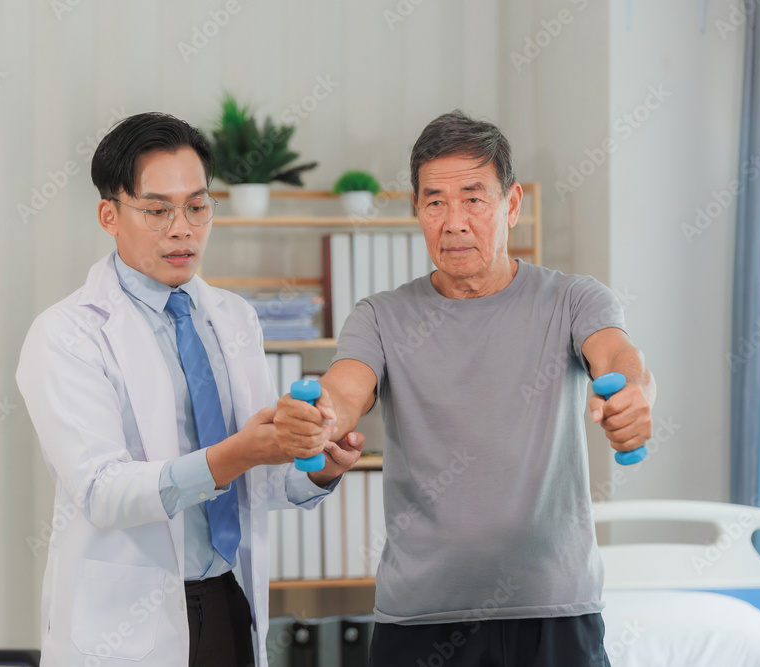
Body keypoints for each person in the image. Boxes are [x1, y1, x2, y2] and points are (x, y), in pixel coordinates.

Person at [274, 110, 656, 666]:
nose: (454, 221)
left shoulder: (574, 300)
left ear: (512, 205)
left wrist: (635, 395)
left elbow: (620, 357)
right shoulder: (380, 316)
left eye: (474, 198)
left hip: (554, 614)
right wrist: (321, 416)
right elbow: (345, 388)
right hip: (420, 621)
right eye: (435, 202)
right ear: (417, 212)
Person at [16, 112, 362, 667]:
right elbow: (103, 492)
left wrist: (317, 463)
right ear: (110, 214)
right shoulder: (67, 334)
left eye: (198, 207)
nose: (182, 228)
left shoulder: (233, 317)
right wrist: (237, 453)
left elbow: (258, 481)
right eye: (157, 210)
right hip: (128, 620)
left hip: (229, 598)